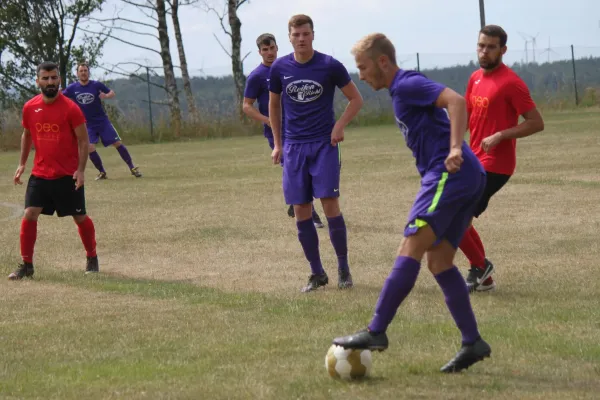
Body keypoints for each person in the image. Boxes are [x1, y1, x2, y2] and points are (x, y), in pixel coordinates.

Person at [332, 33, 491, 373]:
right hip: (466, 177)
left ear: (383, 62)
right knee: (439, 260)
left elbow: (457, 101)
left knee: (411, 244)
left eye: (363, 67)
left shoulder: (406, 84)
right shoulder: (399, 90)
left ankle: (376, 331)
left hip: (450, 173)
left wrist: (454, 148)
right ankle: (472, 342)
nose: (360, 74)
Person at [268, 14, 364, 292]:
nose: (301, 39)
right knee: (301, 209)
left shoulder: (329, 65)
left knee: (329, 203)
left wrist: (339, 125)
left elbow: (356, 99)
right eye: (296, 35)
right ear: (289, 37)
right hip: (294, 147)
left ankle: (343, 267)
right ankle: (316, 272)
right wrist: (278, 143)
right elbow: (274, 107)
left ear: (313, 35)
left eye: (305, 34)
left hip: (324, 145)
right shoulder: (279, 68)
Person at [460, 25, 544, 292]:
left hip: (496, 164)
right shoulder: (474, 78)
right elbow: (467, 118)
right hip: (473, 160)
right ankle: (483, 275)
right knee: (458, 217)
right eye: (481, 45)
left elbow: (536, 122)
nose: (484, 51)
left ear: (503, 50)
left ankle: (480, 267)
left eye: (491, 47)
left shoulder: (512, 83)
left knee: (453, 214)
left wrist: (500, 135)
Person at [9, 61, 99, 280]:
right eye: (46, 78)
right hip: (40, 174)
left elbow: (83, 141)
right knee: (30, 213)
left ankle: (92, 257)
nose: (50, 82)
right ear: (38, 80)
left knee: (79, 216)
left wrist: (80, 170)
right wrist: (22, 163)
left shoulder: (71, 108)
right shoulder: (30, 107)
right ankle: (27, 265)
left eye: (54, 78)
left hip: (67, 175)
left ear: (59, 80)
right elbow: (27, 134)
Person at [243, 33, 324, 228]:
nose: (269, 53)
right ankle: (309, 212)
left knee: (307, 168)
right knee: (294, 168)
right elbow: (247, 106)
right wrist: (268, 120)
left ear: (277, 48)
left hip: (299, 128)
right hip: (277, 132)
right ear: (259, 52)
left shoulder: (286, 69)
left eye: (272, 48)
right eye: (265, 50)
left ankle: (295, 202)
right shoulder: (256, 76)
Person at [63, 62, 142, 180]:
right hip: (86, 124)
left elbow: (111, 92)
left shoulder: (96, 85)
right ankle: (102, 172)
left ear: (88, 72)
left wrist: (106, 96)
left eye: (85, 70)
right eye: (81, 71)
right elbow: (61, 96)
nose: (83, 73)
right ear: (77, 73)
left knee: (117, 143)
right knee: (89, 147)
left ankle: (132, 167)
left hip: (102, 121)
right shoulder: (72, 88)